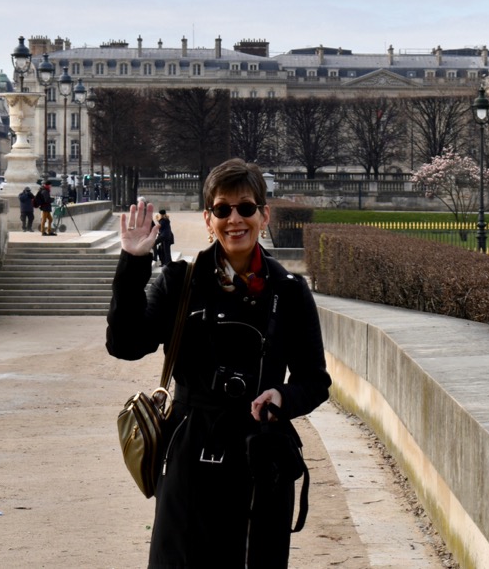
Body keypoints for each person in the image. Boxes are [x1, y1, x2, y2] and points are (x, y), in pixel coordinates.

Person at [106, 158, 330, 568]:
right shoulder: (180, 281)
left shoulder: (290, 292)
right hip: (191, 449)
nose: (234, 219)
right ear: (208, 219)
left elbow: (315, 381)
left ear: (263, 215)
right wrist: (133, 264)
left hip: (260, 452)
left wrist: (282, 395)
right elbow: (125, 344)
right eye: (222, 209)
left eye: (245, 208)